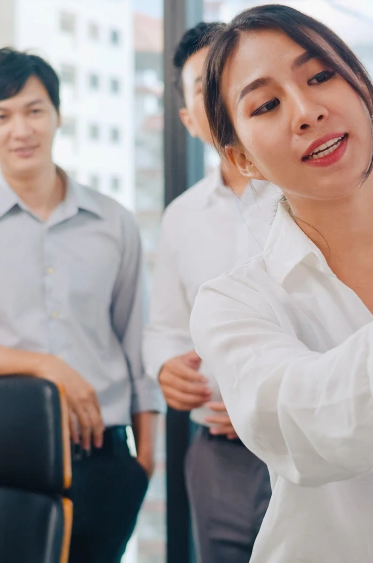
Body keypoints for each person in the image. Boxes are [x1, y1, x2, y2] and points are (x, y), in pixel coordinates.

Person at [190, 5, 373, 563]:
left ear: (360, 83)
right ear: (241, 158)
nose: (306, 111)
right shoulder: (234, 304)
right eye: (266, 105)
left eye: (320, 75)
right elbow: (303, 425)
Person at [0, 48, 162, 562]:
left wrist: (146, 461)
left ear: (58, 115)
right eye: (1, 115)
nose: (19, 129)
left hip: (104, 462)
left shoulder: (113, 221)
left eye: (34, 110)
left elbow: (139, 345)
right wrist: (47, 368)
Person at [142, 21, 272, 563]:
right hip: (219, 454)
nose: (217, 91)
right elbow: (166, 326)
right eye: (202, 84)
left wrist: (272, 407)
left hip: (313, 445)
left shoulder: (311, 197)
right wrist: (166, 367)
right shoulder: (181, 217)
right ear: (188, 119)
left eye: (229, 75)